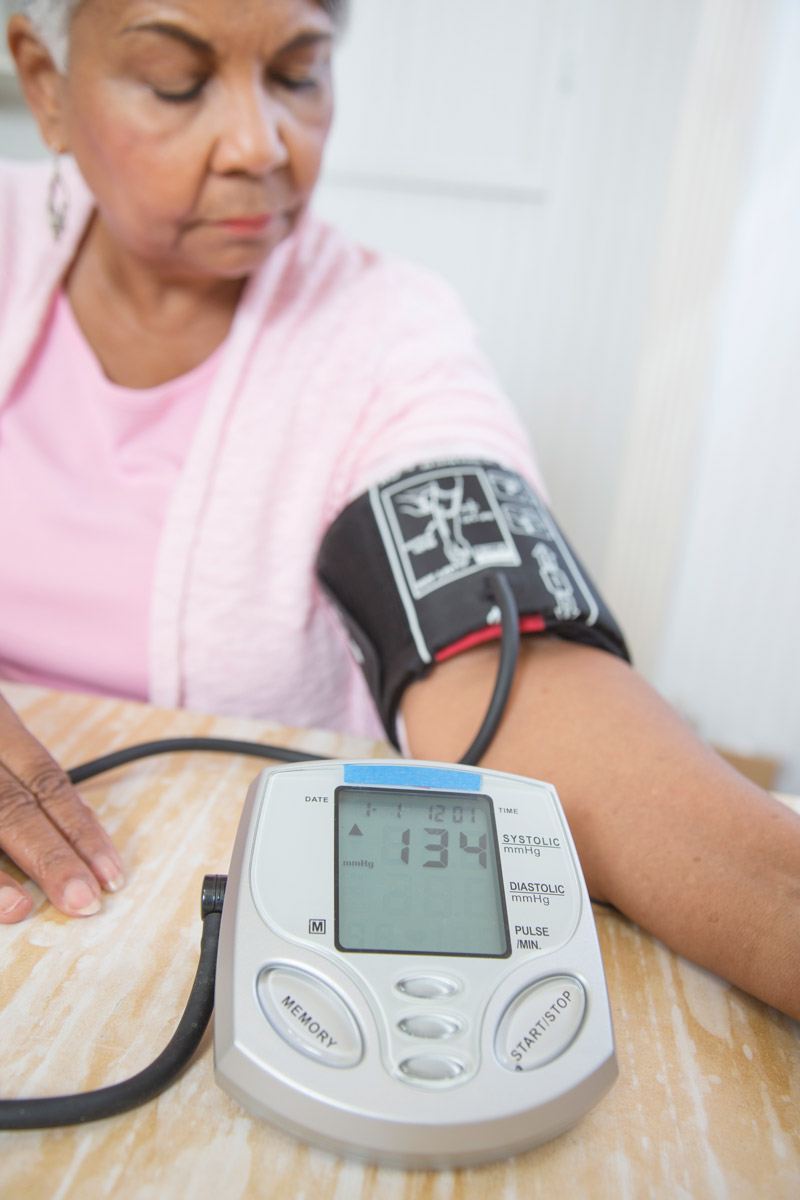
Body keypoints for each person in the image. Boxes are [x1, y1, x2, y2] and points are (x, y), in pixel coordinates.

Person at [0, 0, 798, 1027]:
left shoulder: (386, 338)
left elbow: (508, 678)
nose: (259, 145)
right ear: (46, 84)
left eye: (297, 74)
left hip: (215, 955)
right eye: (176, 82)